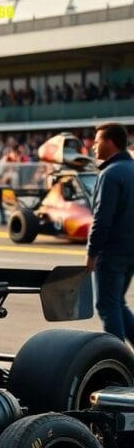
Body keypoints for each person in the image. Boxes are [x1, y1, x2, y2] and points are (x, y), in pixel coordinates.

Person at [86, 122, 134, 345]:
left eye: (97, 141)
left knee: (107, 305)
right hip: (130, 250)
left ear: (110, 143)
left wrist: (91, 253)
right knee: (117, 304)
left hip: (112, 251)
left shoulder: (110, 174)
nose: (94, 146)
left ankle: (118, 358)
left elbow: (102, 220)